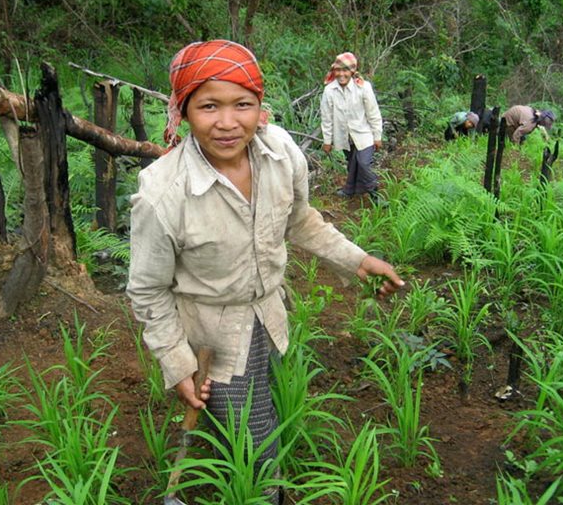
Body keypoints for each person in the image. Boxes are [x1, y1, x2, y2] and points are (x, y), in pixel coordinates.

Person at [125, 40, 404, 503]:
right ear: (184, 110)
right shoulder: (163, 192)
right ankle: (262, 495)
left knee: (249, 414)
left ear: (260, 106)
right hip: (210, 336)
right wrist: (177, 365)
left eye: (243, 105)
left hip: (268, 315)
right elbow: (148, 291)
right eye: (209, 106)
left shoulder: (280, 152)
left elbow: (299, 219)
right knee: (256, 441)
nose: (229, 122)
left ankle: (218, 476)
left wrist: (357, 259)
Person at [319, 52, 384, 200]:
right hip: (344, 137)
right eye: (338, 70)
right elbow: (326, 118)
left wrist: (377, 136)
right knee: (352, 163)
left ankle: (375, 194)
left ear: (352, 72)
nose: (341, 74)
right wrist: (327, 141)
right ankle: (349, 190)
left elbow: (373, 113)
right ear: (334, 71)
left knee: (363, 163)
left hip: (364, 134)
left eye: (345, 70)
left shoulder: (363, 88)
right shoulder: (329, 90)